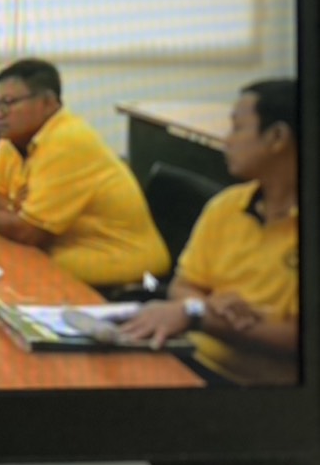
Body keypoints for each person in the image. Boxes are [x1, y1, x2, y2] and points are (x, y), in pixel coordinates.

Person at [120, 80, 298, 386]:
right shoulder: (227, 206)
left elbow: (297, 338)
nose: (227, 140)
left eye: (237, 128)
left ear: (277, 137)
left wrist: (201, 315)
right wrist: (203, 305)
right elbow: (184, 285)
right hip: (192, 358)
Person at [0, 58, 169, 288]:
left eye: (8, 103)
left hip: (115, 260)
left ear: (48, 102)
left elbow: (28, 233)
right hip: (62, 248)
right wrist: (17, 214)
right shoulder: (14, 136)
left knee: (7, 277)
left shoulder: (67, 141)